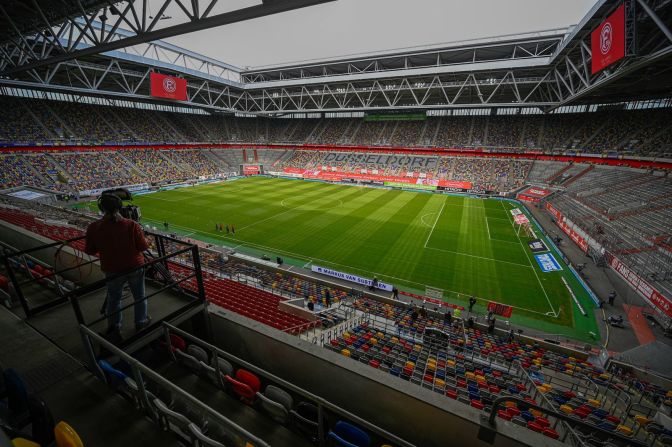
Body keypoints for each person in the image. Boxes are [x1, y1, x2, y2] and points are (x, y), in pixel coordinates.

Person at [85, 192, 151, 340]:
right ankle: (140, 321)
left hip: (111, 268)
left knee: (114, 299)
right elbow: (143, 246)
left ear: (101, 208)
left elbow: (90, 250)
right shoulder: (131, 225)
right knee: (139, 296)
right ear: (119, 207)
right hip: (134, 266)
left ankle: (115, 326)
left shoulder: (94, 227)